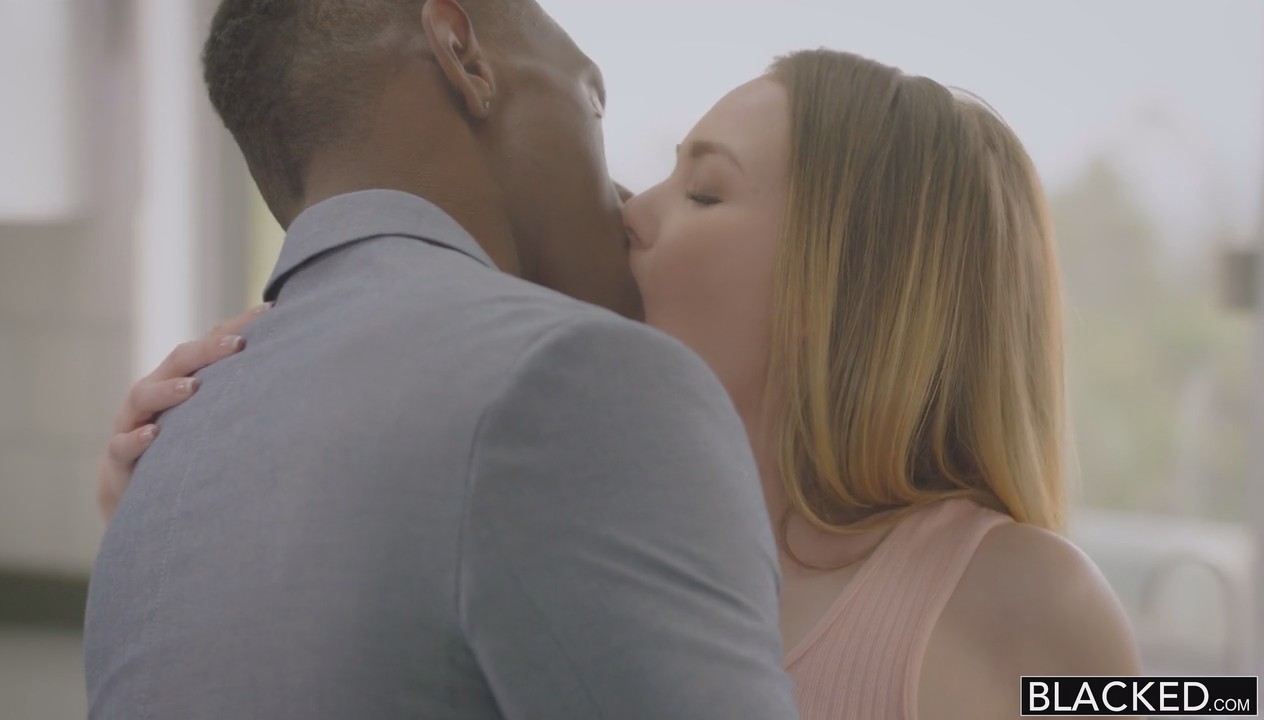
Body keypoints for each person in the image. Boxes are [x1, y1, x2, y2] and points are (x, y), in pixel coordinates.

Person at [98, 29, 1144, 720]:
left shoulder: (1026, 599)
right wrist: (187, 479)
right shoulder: (556, 516)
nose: (630, 209)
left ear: (855, 277)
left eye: (704, 193)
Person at [82, 1, 799, 718]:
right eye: (593, 103)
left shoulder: (159, 465)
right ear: (463, 55)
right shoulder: (576, 374)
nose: (627, 200)